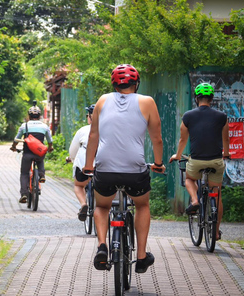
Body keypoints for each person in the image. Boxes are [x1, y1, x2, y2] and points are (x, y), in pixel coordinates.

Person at [82, 64, 165, 273]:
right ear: (136, 84)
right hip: (134, 169)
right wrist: (157, 163)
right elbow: (157, 138)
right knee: (142, 205)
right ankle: (142, 256)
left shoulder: (102, 100)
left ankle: (102, 246)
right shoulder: (147, 102)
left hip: (105, 168)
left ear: (114, 84)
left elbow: (94, 136)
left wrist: (88, 165)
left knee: (102, 207)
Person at [169, 82, 230, 240]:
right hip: (216, 161)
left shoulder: (188, 116)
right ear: (211, 99)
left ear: (196, 98)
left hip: (196, 161)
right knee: (216, 194)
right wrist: (227, 153)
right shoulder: (222, 117)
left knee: (189, 179)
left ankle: (195, 200)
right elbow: (226, 139)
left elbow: (183, 139)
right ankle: (216, 232)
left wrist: (177, 155)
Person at [11, 101, 53, 204]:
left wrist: (13, 147)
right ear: (39, 116)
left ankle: (24, 194)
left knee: (24, 173)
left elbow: (16, 139)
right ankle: (42, 175)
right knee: (41, 157)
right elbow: (50, 141)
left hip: (27, 154)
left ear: (29, 116)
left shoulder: (24, 126)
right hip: (39, 153)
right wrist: (50, 148)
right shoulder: (44, 126)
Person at [66, 105, 95, 221]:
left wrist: (71, 159)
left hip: (84, 164)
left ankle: (83, 204)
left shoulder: (83, 130)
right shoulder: (111, 129)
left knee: (78, 185)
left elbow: (73, 150)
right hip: (104, 164)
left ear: (89, 118)